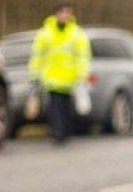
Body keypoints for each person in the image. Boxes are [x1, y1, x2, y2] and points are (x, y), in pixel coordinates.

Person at [29, 4, 91, 143]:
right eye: (63, 13)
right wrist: (34, 75)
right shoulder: (45, 33)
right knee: (54, 107)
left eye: (68, 13)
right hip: (51, 78)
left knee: (66, 107)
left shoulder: (77, 33)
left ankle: (65, 132)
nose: (65, 16)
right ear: (56, 14)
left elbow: (83, 56)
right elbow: (37, 56)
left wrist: (82, 75)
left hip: (70, 78)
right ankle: (57, 132)